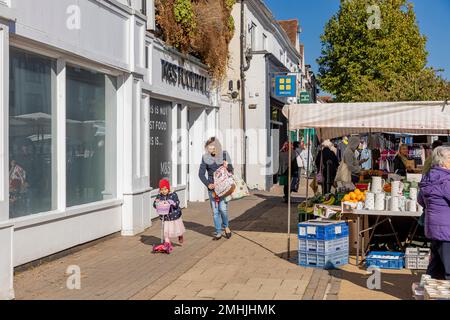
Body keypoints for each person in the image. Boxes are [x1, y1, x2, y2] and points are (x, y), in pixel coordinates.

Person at [417, 146, 450, 280]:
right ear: (444, 161)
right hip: (447, 229)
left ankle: (426, 292)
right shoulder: (446, 180)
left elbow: (420, 200)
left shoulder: (427, 177)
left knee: (435, 267)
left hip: (433, 227)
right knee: (448, 269)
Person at [198, 137, 234, 241]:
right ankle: (218, 232)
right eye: (208, 148)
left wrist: (228, 166)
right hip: (212, 188)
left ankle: (226, 226)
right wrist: (208, 184)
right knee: (215, 211)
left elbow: (232, 170)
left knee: (222, 209)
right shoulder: (205, 158)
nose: (209, 150)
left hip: (223, 187)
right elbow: (200, 174)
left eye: (211, 147)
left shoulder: (224, 154)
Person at [153, 179, 186, 251]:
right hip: (165, 216)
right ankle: (167, 243)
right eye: (162, 189)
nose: (163, 191)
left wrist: (173, 203)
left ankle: (180, 235)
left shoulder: (173, 194)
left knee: (177, 228)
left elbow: (177, 202)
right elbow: (155, 205)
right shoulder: (159, 196)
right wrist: (156, 203)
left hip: (174, 215)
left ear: (168, 188)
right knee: (166, 230)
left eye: (165, 189)